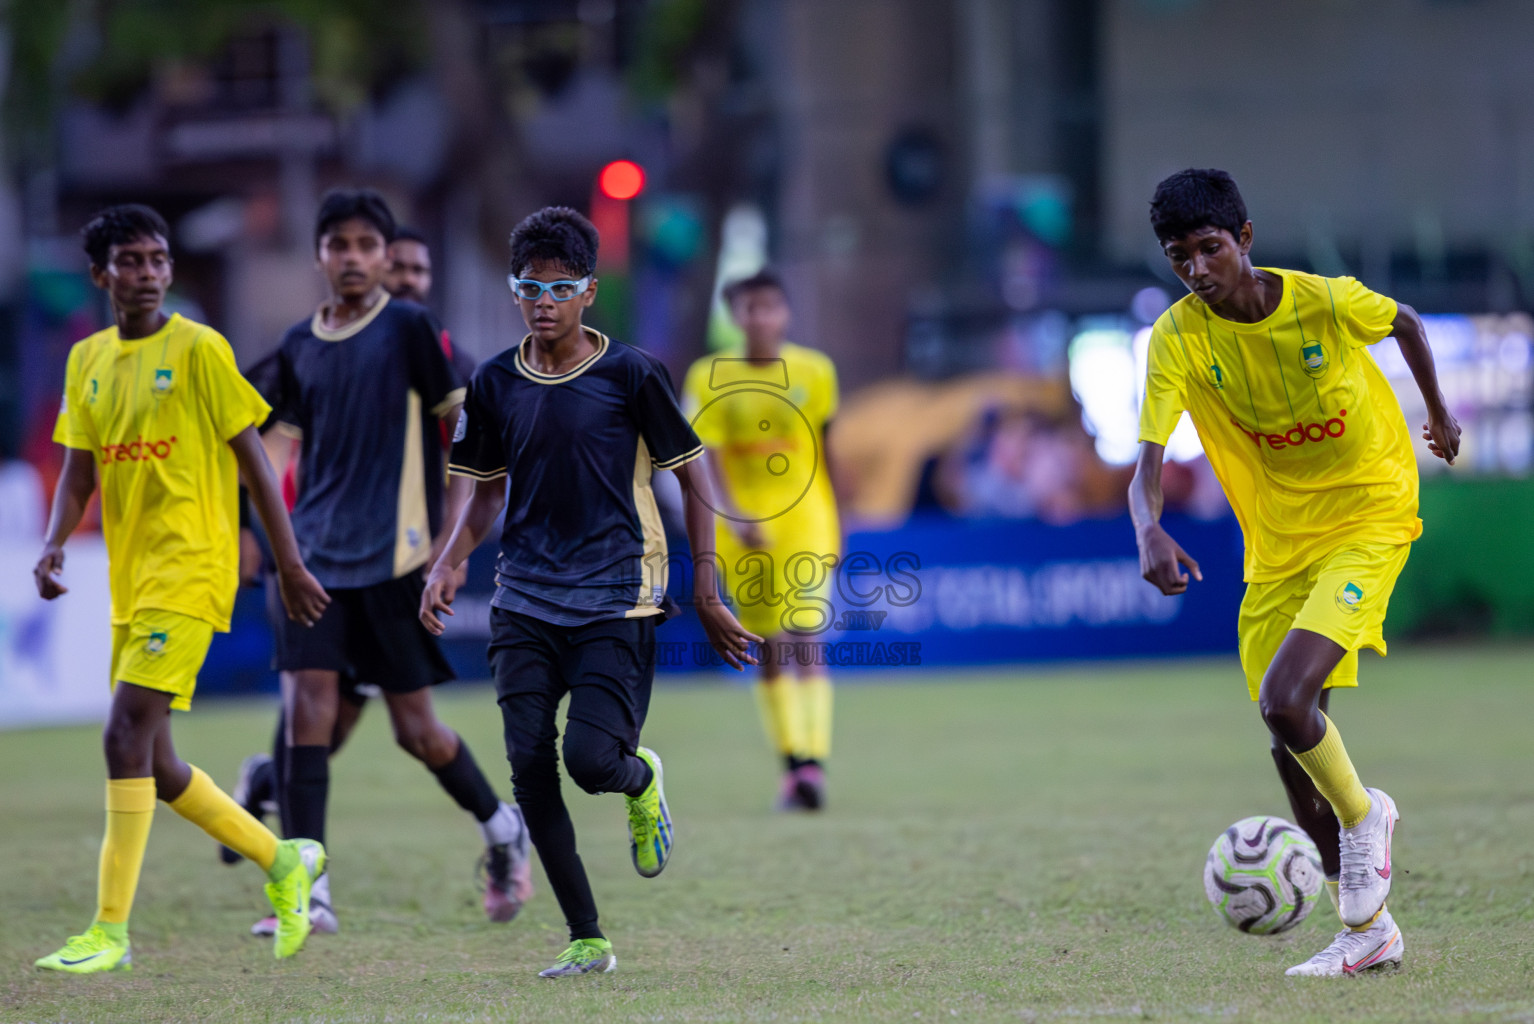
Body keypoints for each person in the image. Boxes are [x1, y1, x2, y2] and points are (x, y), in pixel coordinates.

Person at [1129, 169, 1460, 977]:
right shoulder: (1178, 337)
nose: (1197, 271)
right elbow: (1146, 463)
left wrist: (1439, 414)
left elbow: (1408, 323)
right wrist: (1150, 529)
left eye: (1209, 249)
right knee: (1286, 742)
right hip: (1279, 544)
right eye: (1180, 259)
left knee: (1287, 699)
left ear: (1243, 239)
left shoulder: (1323, 300)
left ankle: (1365, 816)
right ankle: (1368, 930)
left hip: (1368, 515)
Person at [420, 206, 760, 978]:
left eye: (561, 287)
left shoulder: (631, 374)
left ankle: (641, 780)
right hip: (524, 600)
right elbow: (481, 497)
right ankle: (586, 937)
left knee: (590, 760)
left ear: (588, 292)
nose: (544, 301)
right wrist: (447, 563)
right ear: (515, 291)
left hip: (618, 595)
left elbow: (693, 476)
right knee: (529, 767)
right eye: (530, 287)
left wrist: (705, 588)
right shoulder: (495, 383)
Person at [32, 204, 331, 972]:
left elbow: (257, 462)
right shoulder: (87, 361)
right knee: (158, 765)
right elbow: (78, 472)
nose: (149, 273)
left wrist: (287, 559)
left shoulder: (199, 348)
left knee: (120, 733)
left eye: (159, 259)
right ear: (101, 275)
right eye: (130, 261)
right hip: (131, 581)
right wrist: (54, 543)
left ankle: (109, 931)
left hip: (194, 567)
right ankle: (283, 861)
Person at [255, 188, 529, 936]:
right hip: (313, 562)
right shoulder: (299, 343)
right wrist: (267, 539)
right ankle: (308, 891)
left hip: (396, 560)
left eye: (365, 246)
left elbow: (466, 437)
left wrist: (454, 546)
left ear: (383, 257)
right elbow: (269, 442)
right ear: (318, 256)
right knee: (304, 715)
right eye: (337, 245)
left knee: (418, 732)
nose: (352, 258)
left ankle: (502, 824)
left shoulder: (410, 327)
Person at [221, 223, 479, 884]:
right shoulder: (317, 346)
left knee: (388, 726)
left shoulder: (440, 354)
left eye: (422, 272)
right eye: (403, 270)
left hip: (398, 566)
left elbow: (479, 453)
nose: (412, 281)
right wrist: (255, 530)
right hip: (326, 555)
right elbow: (250, 425)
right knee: (321, 708)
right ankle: (307, 873)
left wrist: (454, 546)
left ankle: (266, 784)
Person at [681, 269, 841, 810]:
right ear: (734, 315)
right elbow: (710, 456)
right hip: (743, 530)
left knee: (807, 639)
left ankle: (811, 764)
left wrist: (844, 510)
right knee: (770, 650)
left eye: (770, 306)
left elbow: (826, 445)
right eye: (749, 308)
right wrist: (734, 515)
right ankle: (793, 763)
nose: (760, 317)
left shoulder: (816, 371)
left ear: (786, 312)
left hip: (807, 521)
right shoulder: (708, 376)